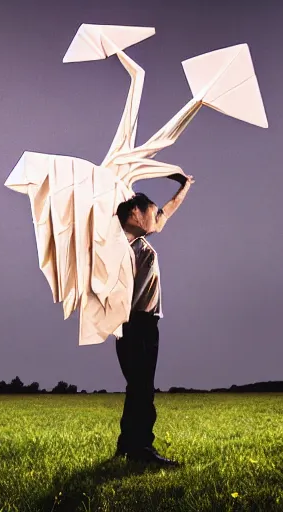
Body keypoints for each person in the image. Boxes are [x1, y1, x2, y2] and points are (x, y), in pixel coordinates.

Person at [113, 174, 195, 466]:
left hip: (143, 324)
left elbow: (166, 214)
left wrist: (184, 187)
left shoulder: (138, 239)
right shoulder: (117, 245)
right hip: (135, 324)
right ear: (135, 213)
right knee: (142, 387)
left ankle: (127, 445)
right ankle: (142, 449)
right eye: (151, 210)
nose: (156, 215)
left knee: (137, 386)